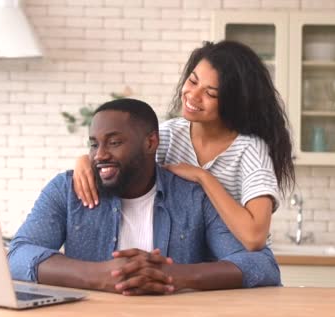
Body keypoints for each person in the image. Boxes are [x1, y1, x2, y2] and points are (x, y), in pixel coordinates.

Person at [8, 98, 280, 296]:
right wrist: (99, 276)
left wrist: (178, 276)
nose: (100, 154)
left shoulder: (192, 197)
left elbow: (262, 266)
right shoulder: (67, 190)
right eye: (94, 144)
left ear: (151, 143)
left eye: (114, 143)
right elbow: (18, 256)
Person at [72, 40, 295, 251]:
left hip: (232, 268)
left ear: (233, 102)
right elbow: (123, 163)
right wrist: (84, 161)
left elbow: (254, 238)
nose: (193, 96)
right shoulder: (167, 135)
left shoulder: (250, 151)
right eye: (193, 81)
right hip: (181, 266)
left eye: (210, 93)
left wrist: (202, 177)